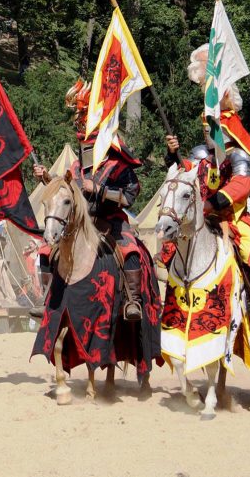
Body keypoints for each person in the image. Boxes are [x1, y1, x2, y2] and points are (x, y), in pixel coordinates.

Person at [164, 45, 250, 325]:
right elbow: (185, 173)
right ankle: (171, 299)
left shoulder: (238, 155)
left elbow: (242, 185)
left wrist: (213, 203)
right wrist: (173, 153)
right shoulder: (201, 154)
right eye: (207, 130)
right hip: (201, 216)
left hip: (232, 217)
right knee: (168, 243)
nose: (209, 135)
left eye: (214, 131)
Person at [32, 79, 151, 321]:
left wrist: (98, 188)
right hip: (80, 225)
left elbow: (129, 195)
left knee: (130, 249)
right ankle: (47, 299)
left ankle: (132, 301)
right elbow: (66, 190)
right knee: (46, 250)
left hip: (111, 221)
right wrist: (47, 178)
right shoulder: (76, 167)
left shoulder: (118, 166)